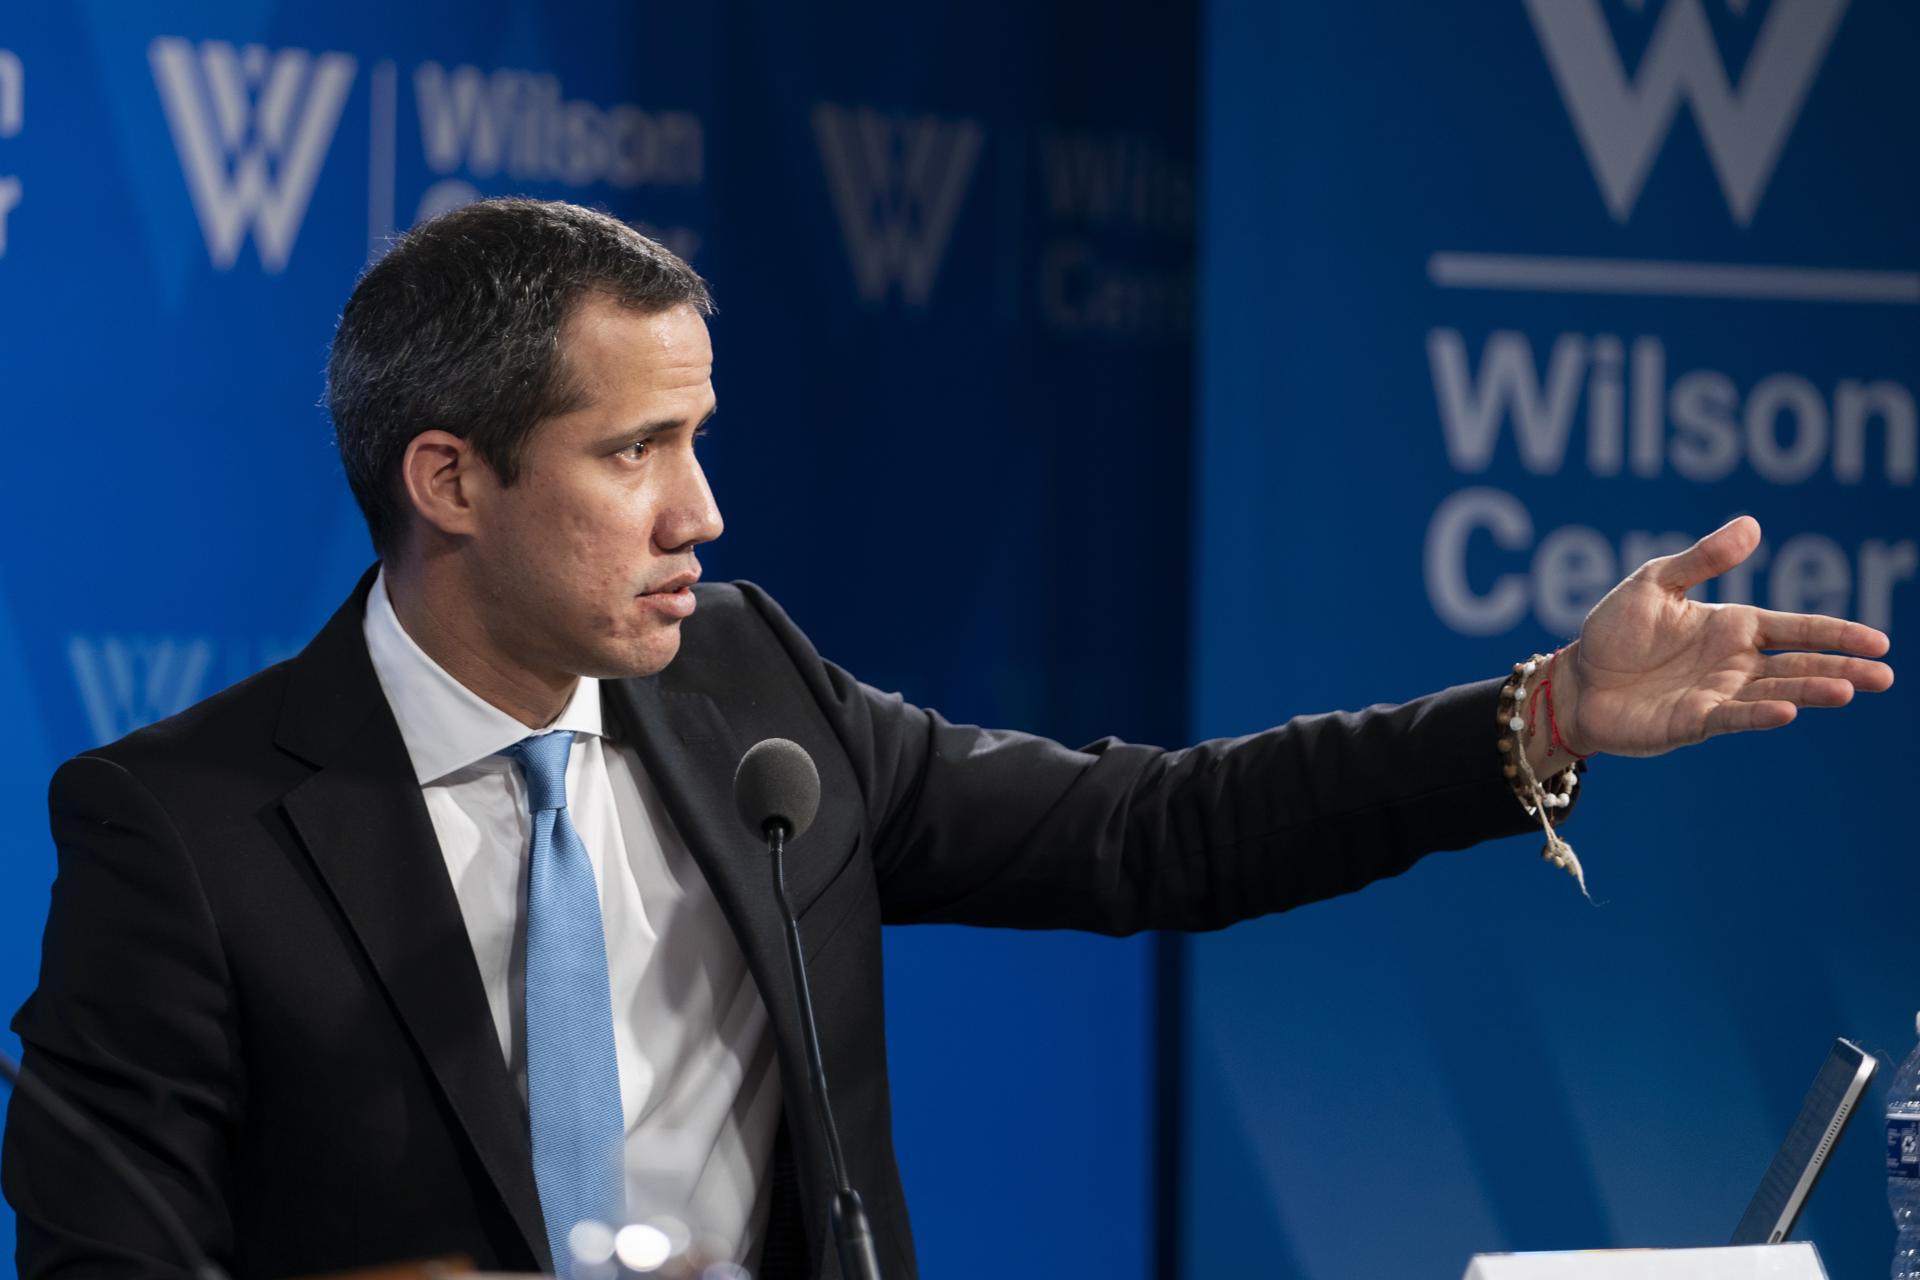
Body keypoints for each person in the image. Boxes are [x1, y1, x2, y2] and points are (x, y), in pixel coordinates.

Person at [0, 199, 1894, 1280]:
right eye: (635, 451)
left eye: (700, 437)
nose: (702, 512)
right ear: (450, 479)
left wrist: (1541, 715)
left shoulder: (747, 694)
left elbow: (1152, 834)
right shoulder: (187, 832)